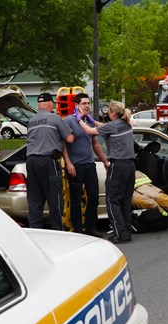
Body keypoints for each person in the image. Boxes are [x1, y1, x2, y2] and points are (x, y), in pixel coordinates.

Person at [78, 100, 135, 243]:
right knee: (125, 201)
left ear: (113, 113)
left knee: (112, 199)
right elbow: (105, 127)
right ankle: (126, 231)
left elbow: (90, 131)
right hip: (130, 166)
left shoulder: (113, 126)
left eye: (108, 111)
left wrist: (79, 119)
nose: (107, 113)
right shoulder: (126, 123)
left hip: (118, 166)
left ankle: (120, 233)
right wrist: (92, 121)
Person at [26, 92, 75, 230]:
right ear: (49, 104)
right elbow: (70, 139)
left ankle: (35, 234)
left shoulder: (31, 121)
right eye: (52, 103)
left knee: (35, 201)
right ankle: (58, 233)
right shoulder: (54, 118)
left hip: (31, 162)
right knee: (55, 200)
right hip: (48, 162)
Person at [62, 93, 108, 237]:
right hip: (76, 165)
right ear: (77, 105)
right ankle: (77, 229)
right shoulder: (69, 120)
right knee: (75, 198)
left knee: (93, 197)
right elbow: (63, 144)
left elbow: (95, 144)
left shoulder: (89, 121)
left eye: (88, 103)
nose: (87, 106)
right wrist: (68, 163)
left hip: (89, 164)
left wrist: (105, 161)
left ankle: (91, 227)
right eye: (84, 103)